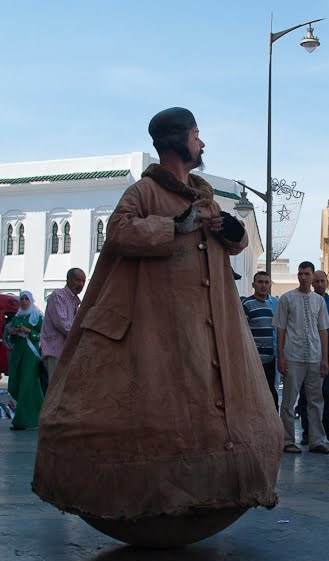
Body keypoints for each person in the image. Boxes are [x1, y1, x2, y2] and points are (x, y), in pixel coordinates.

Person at [32, 107, 283, 535]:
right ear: (176, 141)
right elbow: (119, 231)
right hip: (158, 334)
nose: (202, 144)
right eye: (197, 136)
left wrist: (226, 228)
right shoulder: (145, 192)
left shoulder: (205, 196)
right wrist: (175, 225)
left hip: (212, 334)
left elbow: (237, 244)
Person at [273, 261, 329, 455]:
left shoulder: (319, 301)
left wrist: (325, 358)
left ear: (313, 276)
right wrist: (281, 356)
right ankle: (287, 440)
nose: (303, 277)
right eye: (300, 274)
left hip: (314, 356)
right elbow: (280, 329)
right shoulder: (287, 299)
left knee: (316, 400)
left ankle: (316, 440)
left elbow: (323, 330)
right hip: (293, 355)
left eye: (307, 274)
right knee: (289, 400)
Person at [298, 270, 329, 443]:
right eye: (316, 281)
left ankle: (327, 428)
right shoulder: (304, 300)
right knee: (306, 396)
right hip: (307, 355)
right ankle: (307, 432)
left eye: (322, 281)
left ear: (327, 282)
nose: (319, 284)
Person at [40, 268, 85, 379]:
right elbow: (62, 324)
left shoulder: (75, 301)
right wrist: (82, 335)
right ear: (68, 279)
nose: (81, 284)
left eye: (83, 281)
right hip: (55, 350)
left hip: (67, 351)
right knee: (56, 388)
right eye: (77, 280)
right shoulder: (58, 295)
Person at [242, 272, 279, 409]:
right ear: (253, 284)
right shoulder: (247, 304)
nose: (263, 285)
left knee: (271, 394)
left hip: (270, 359)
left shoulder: (273, 305)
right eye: (260, 282)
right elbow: (243, 332)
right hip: (253, 360)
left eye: (266, 282)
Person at [7, 291, 44, 430]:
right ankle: (41, 413)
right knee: (13, 385)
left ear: (31, 300)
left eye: (26, 299)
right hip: (17, 354)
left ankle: (21, 421)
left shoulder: (36, 317)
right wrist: (13, 333)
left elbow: (43, 335)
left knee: (26, 386)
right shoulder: (17, 317)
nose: (23, 301)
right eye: (21, 299)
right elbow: (12, 339)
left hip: (30, 354)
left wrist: (29, 331)